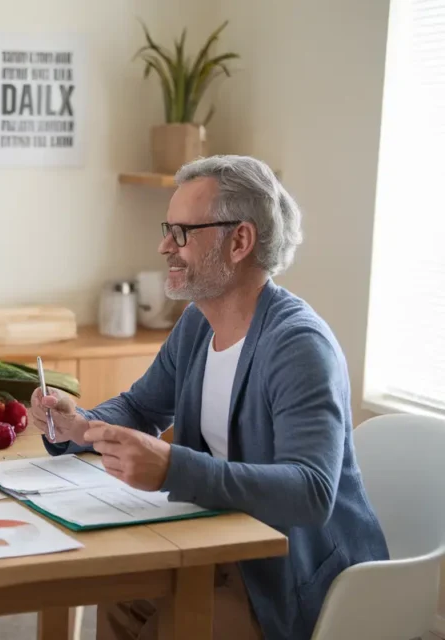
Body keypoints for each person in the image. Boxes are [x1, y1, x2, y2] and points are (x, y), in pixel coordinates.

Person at [30, 155, 388, 640]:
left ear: (239, 241)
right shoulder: (199, 322)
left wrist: (173, 467)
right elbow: (142, 407)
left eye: (181, 233)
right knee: (115, 591)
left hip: (287, 575)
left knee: (173, 625)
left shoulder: (299, 346)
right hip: (216, 542)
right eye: (167, 229)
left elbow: (311, 492)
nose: (163, 246)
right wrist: (80, 424)